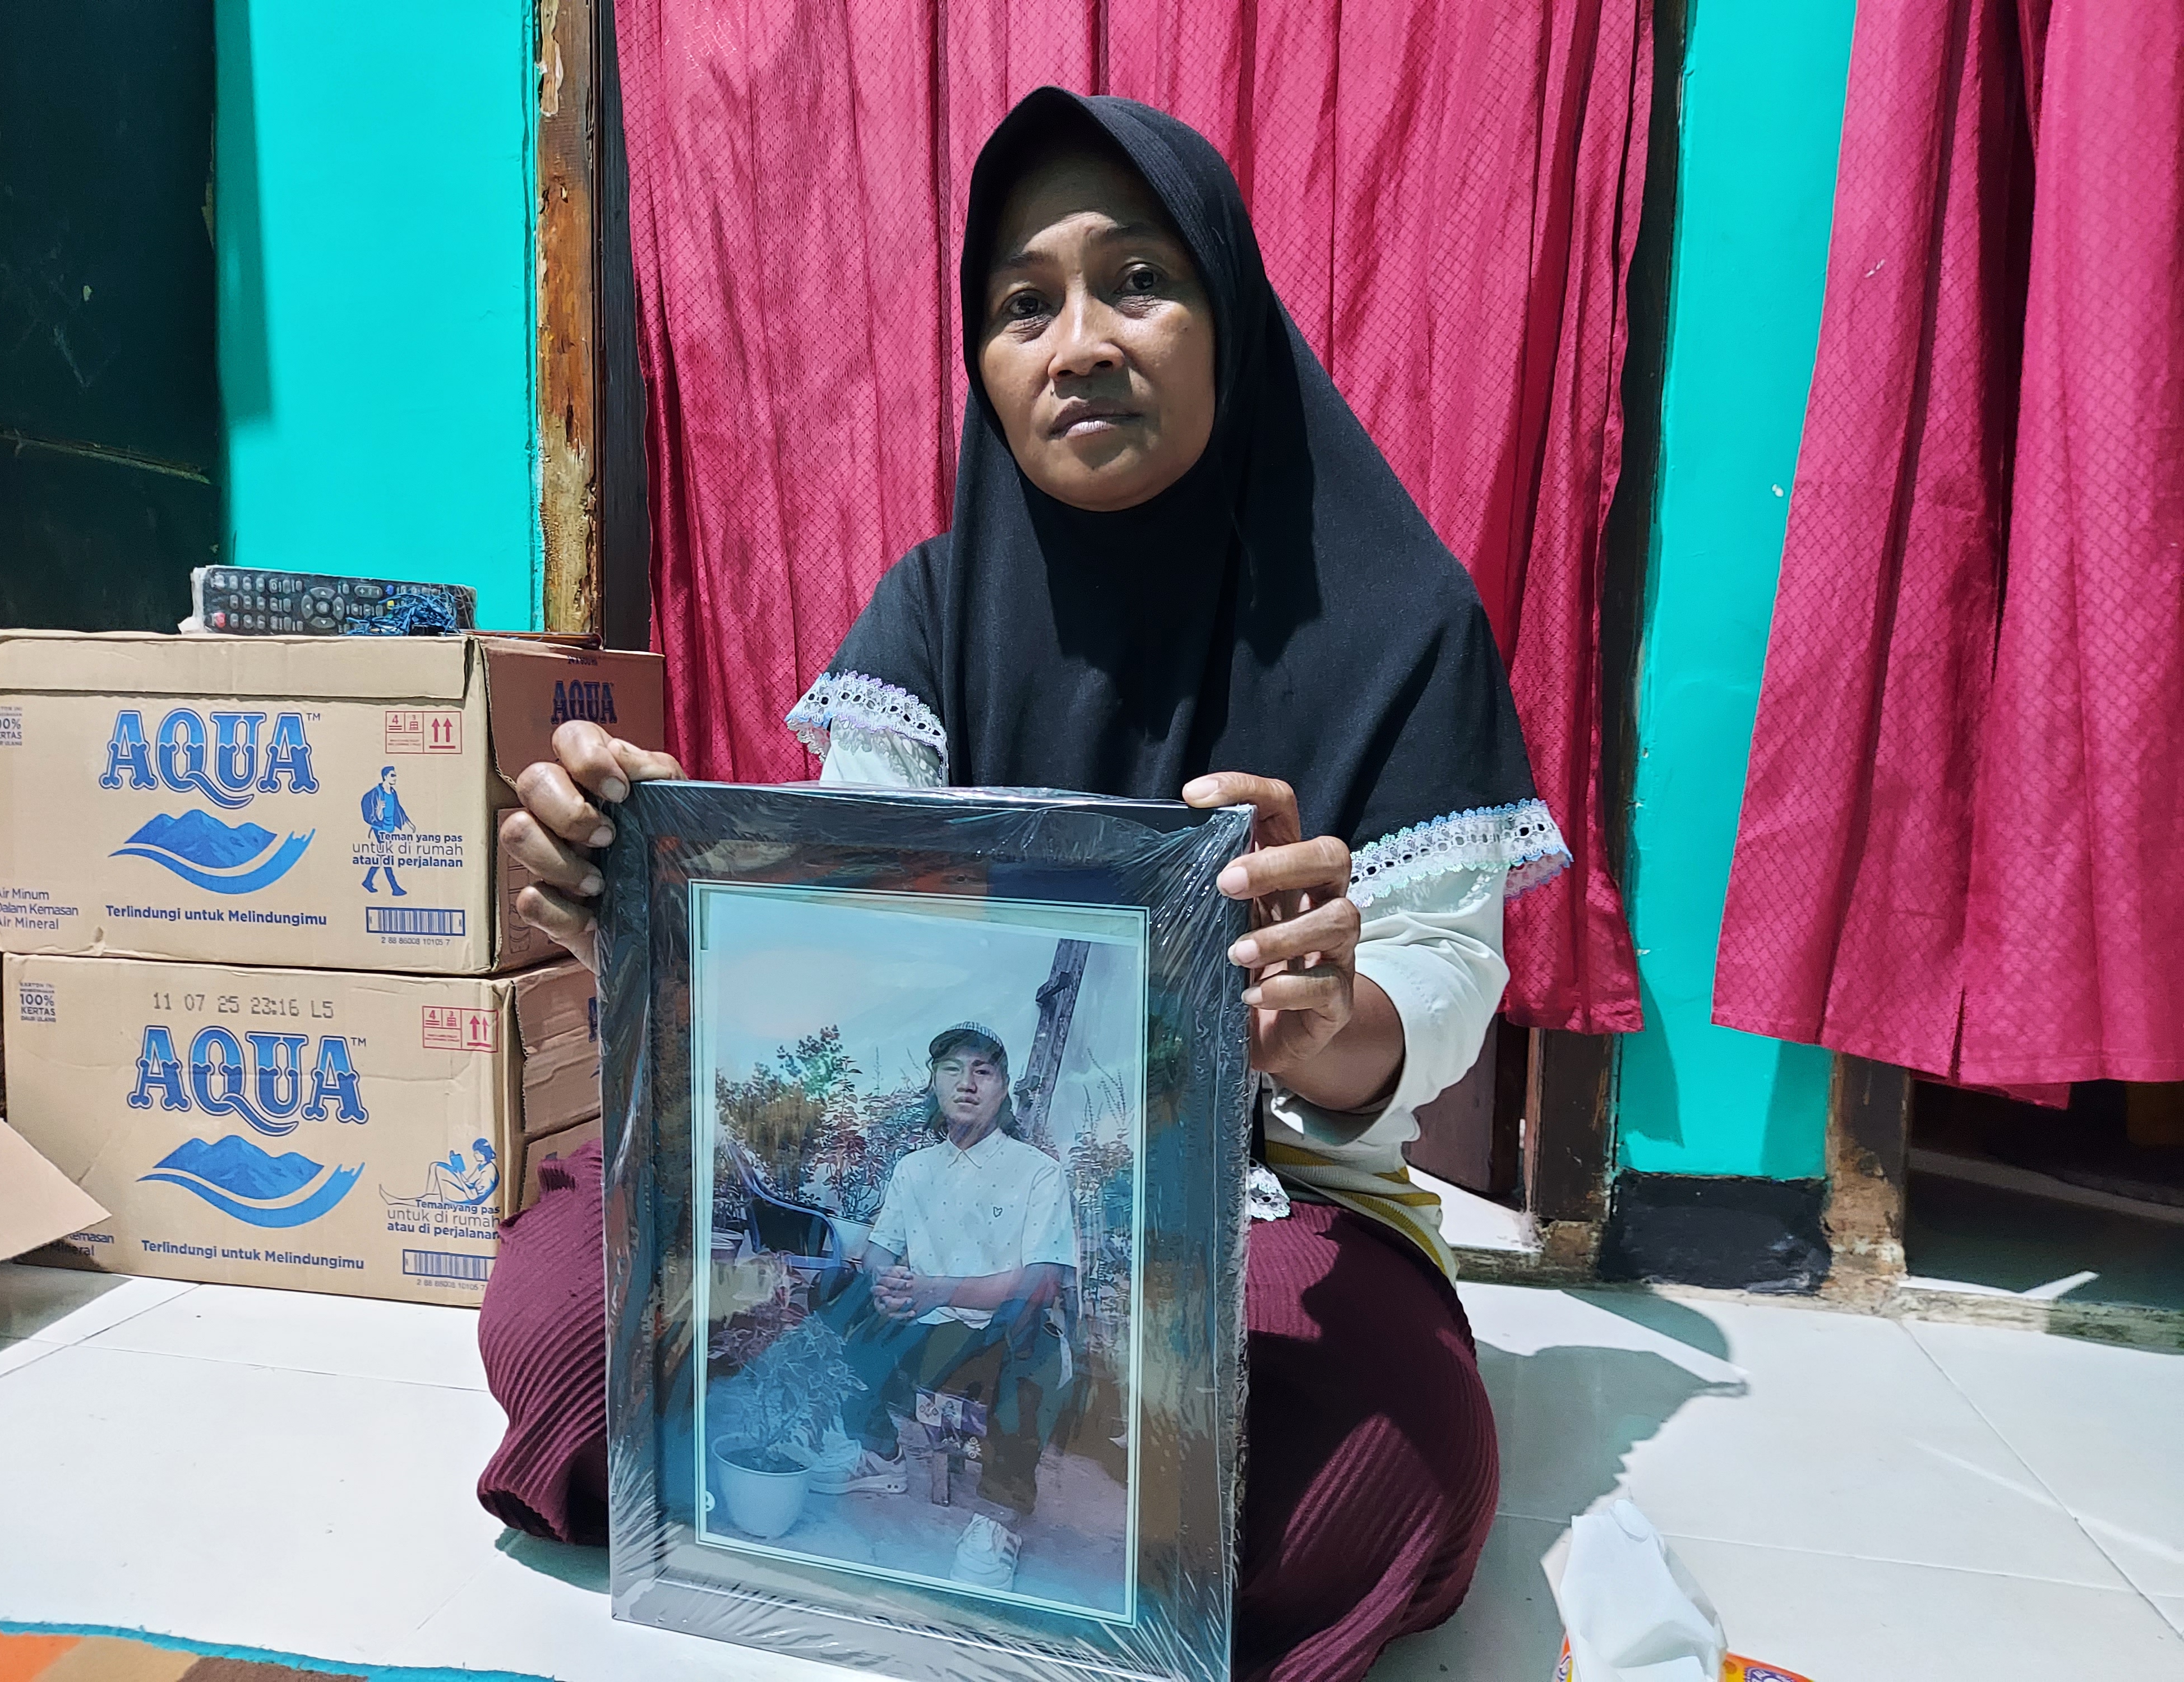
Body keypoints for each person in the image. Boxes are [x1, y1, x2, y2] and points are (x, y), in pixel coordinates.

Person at [478, 88, 1567, 1682]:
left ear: (1229, 314)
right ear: (983, 363)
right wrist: (628, 891)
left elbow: (1444, 991)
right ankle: (923, 1506)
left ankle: (963, 1508)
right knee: (568, 1318)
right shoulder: (929, 612)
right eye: (1021, 303)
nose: (1077, 344)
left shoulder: (1397, 627)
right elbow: (843, 912)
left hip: (1277, 1195)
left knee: (1370, 1470)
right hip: (937, 1249)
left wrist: (1325, 1025)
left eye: (1138, 280)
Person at [807, 1022, 1078, 1591]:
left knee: (1032, 1330)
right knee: (840, 1290)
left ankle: (995, 1521)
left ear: (1002, 1088)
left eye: (983, 1071)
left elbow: (1042, 1280)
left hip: (998, 1341)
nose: (967, 1083)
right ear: (934, 1083)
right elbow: (880, 1250)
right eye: (953, 1069)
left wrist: (937, 1289)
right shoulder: (915, 1169)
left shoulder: (1038, 1172)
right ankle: (881, 1457)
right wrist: (887, 1284)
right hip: (926, 1334)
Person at [359, 765, 412, 897]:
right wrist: (379, 811)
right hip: (380, 829)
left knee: (382, 856)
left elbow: (398, 808)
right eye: (392, 775)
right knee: (386, 857)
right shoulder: (377, 793)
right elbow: (374, 814)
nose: (395, 778)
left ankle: (368, 880)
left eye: (395, 775)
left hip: (390, 829)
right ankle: (395, 887)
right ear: (385, 776)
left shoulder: (393, 792)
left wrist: (408, 823)